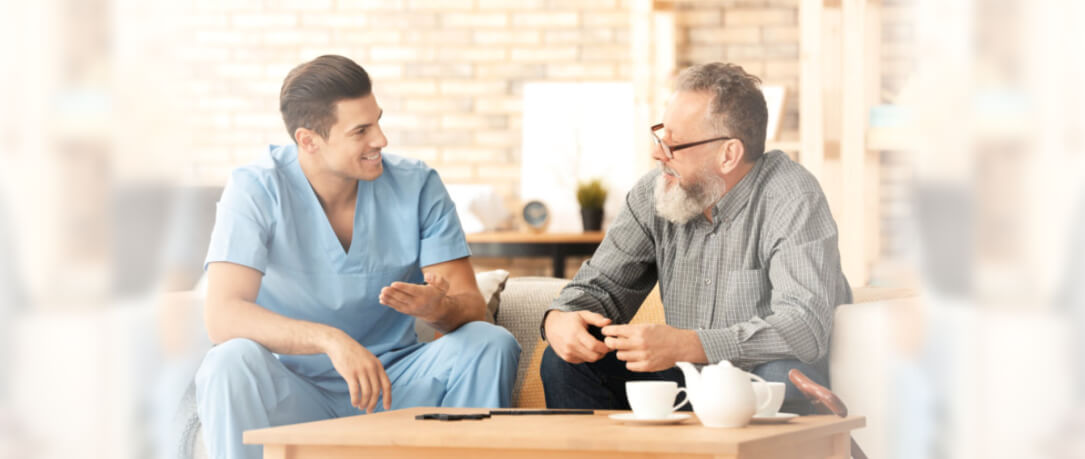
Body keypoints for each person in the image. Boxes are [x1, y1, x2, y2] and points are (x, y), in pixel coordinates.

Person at [195, 55, 520, 459]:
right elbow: (222, 315)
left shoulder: (418, 185)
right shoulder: (256, 188)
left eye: (378, 121)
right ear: (309, 140)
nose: (381, 139)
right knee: (229, 361)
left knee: (489, 343)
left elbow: (471, 307)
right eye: (361, 131)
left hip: (395, 386)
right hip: (295, 390)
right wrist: (331, 341)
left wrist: (441, 309)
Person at [540, 62, 851, 415]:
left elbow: (804, 326)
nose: (658, 153)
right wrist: (559, 318)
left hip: (760, 378)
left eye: (675, 144)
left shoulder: (792, 196)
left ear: (728, 154)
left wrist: (691, 344)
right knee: (564, 362)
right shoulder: (655, 194)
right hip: (686, 378)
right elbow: (602, 287)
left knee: (781, 375)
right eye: (661, 136)